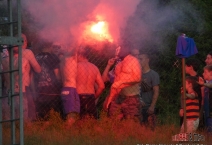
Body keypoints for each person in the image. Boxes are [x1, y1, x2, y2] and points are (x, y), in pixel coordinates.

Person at [104, 43, 142, 121]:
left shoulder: (133, 61)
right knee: (113, 119)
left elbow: (137, 78)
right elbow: (114, 85)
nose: (116, 51)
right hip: (118, 97)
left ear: (124, 50)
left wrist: (121, 83)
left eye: (118, 49)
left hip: (131, 97)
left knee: (131, 122)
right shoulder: (119, 65)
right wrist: (110, 100)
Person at [34, 41, 63, 119]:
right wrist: (61, 83)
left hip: (39, 90)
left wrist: (34, 90)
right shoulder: (53, 57)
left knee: (41, 116)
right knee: (54, 115)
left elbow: (32, 75)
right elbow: (57, 74)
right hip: (52, 91)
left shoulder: (35, 57)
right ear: (50, 47)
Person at [76, 46, 105, 119]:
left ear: (79, 55)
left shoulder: (76, 66)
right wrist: (94, 97)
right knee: (92, 121)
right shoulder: (94, 67)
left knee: (79, 120)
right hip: (91, 96)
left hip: (78, 96)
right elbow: (102, 86)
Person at [21, 34, 41, 121]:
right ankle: (29, 126)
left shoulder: (9, 53)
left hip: (10, 86)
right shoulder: (27, 52)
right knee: (30, 107)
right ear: (25, 42)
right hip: (24, 84)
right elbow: (37, 69)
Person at [139, 53, 160, 130]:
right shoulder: (137, 74)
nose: (139, 61)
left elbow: (156, 91)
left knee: (150, 130)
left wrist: (152, 106)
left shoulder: (153, 75)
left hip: (148, 107)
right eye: (138, 59)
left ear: (147, 60)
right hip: (138, 106)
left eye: (141, 59)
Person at [60, 46, 79, 126]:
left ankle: (71, 134)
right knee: (70, 116)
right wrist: (79, 37)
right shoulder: (66, 58)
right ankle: (67, 134)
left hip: (72, 89)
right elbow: (74, 49)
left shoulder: (72, 59)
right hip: (68, 89)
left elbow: (75, 51)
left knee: (74, 115)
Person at [184, 58, 203, 130]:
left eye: (186, 66)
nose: (184, 68)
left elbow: (201, 94)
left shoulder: (200, 79)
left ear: (191, 67)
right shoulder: (186, 79)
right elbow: (182, 94)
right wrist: (182, 108)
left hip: (195, 109)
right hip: (187, 108)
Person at [198, 65, 212, 132]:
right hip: (207, 111)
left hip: (210, 112)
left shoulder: (209, 84)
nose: (203, 74)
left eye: (205, 72)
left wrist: (203, 84)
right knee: (207, 129)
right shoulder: (206, 84)